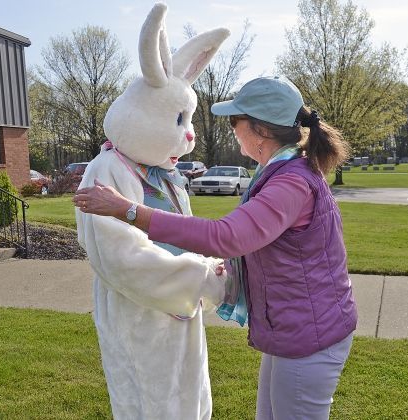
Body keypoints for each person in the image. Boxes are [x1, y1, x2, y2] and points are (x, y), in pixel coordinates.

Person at [74, 76, 358, 419]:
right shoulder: (283, 170)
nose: (232, 129)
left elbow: (227, 236)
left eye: (235, 120)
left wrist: (128, 210)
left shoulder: (291, 182)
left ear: (260, 131)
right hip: (298, 328)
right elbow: (263, 242)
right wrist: (228, 267)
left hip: (309, 334)